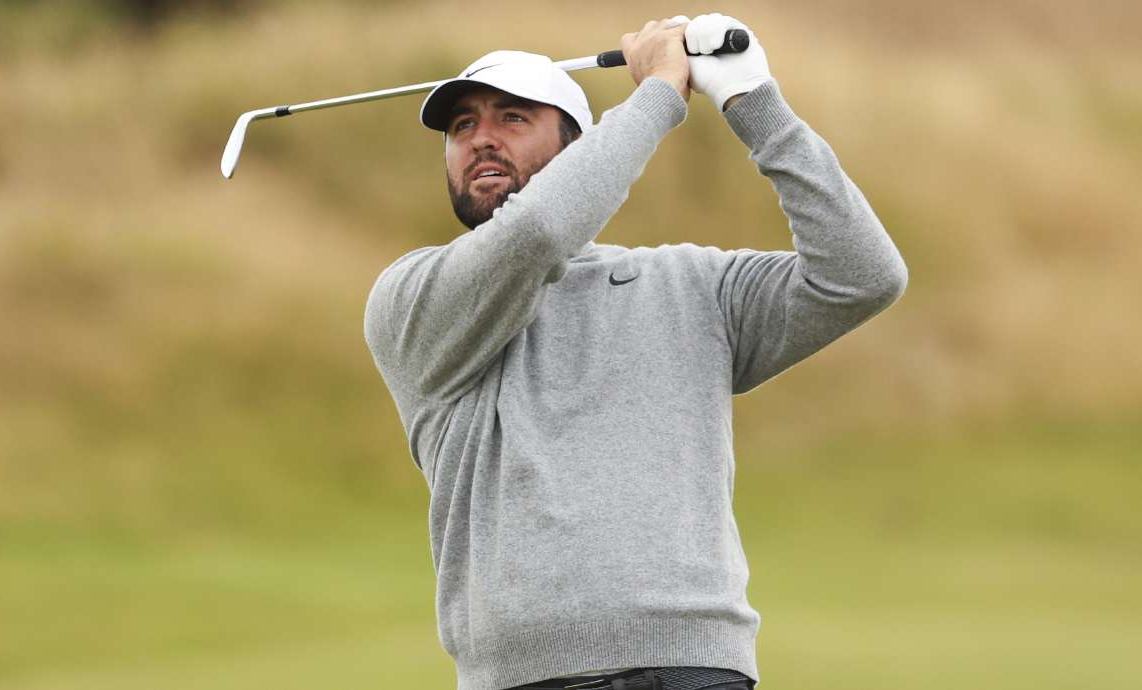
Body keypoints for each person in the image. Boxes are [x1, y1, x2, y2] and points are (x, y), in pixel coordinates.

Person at [363, 13, 907, 690]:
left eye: (511, 118)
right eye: (462, 127)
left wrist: (752, 98)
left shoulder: (688, 284)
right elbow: (534, 235)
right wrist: (657, 96)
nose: (481, 140)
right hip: (530, 679)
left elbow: (860, 275)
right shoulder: (413, 298)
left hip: (697, 667)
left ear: (580, 147)